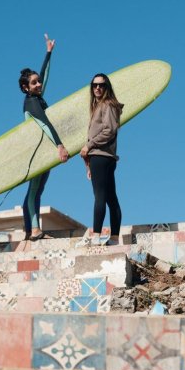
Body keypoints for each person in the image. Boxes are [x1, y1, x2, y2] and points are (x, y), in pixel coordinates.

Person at [18, 34, 69, 241]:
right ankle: (33, 230)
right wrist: (60, 145)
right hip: (36, 152)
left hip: (44, 151)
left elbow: (45, 76)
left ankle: (33, 230)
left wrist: (48, 52)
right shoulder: (31, 102)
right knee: (33, 192)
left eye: (38, 82)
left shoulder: (37, 97)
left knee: (38, 191)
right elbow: (44, 124)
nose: (38, 84)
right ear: (25, 88)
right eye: (34, 83)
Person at [79, 73, 124, 247]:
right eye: (94, 85)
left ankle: (96, 236)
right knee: (111, 198)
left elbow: (109, 131)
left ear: (107, 87)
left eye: (101, 85)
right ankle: (113, 238)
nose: (97, 88)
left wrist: (89, 145)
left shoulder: (108, 105)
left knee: (100, 196)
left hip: (102, 156)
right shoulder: (98, 106)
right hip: (100, 157)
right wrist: (89, 164)